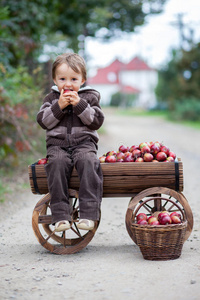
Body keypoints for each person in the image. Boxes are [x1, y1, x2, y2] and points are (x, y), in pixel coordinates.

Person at [37, 53, 104, 232]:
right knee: (57, 163)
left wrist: (80, 105)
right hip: (57, 145)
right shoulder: (51, 99)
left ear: (83, 79)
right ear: (54, 80)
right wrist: (58, 106)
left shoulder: (90, 97)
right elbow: (43, 122)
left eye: (74, 79)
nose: (68, 84)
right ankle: (60, 217)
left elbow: (96, 121)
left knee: (88, 161)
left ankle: (88, 215)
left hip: (84, 143)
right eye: (62, 79)